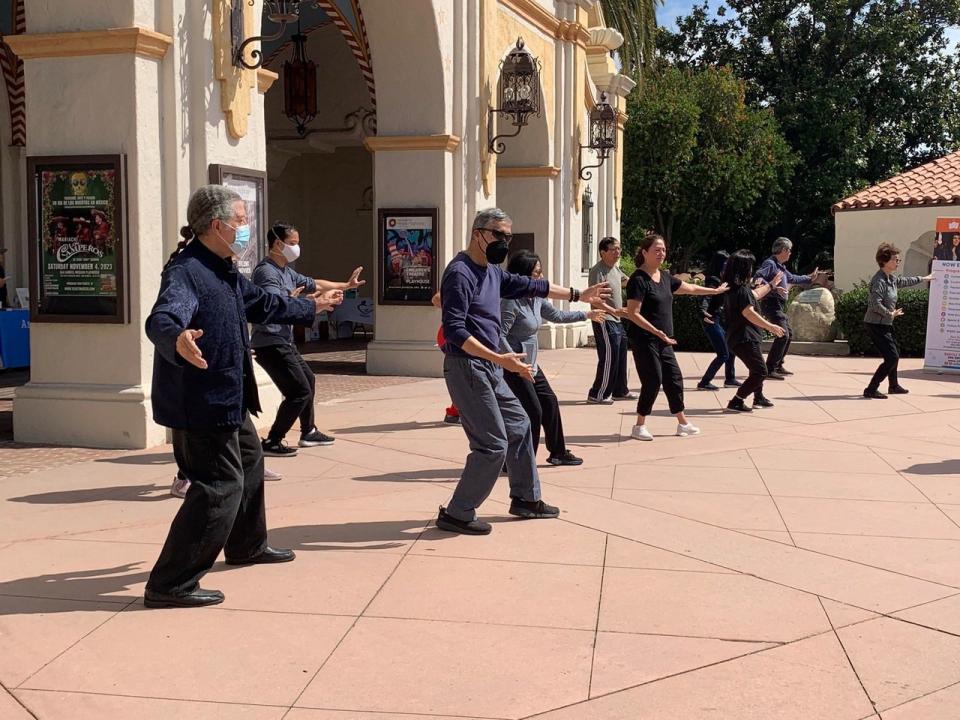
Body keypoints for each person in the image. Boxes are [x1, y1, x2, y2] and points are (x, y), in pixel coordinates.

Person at [142, 185, 342, 609]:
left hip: (228, 397)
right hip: (199, 400)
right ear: (216, 225)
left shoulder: (223, 268)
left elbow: (262, 304)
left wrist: (313, 307)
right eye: (240, 220)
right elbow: (162, 316)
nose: (246, 228)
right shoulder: (187, 270)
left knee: (250, 463)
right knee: (219, 485)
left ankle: (247, 544)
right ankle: (171, 583)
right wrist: (176, 337)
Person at [437, 208, 611, 535]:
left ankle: (525, 499)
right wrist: (501, 359)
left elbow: (532, 286)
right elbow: (455, 331)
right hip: (467, 367)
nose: (504, 242)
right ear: (478, 233)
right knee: (492, 445)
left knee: (520, 425)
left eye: (508, 237)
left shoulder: (491, 271)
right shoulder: (460, 273)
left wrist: (578, 295)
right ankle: (457, 513)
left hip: (489, 366)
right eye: (498, 235)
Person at [250, 222, 364, 457]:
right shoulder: (266, 272)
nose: (296, 248)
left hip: (284, 340)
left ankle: (308, 431)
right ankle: (273, 440)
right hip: (269, 342)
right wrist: (307, 302)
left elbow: (315, 283)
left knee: (308, 380)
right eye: (292, 243)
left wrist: (345, 286)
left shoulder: (288, 272)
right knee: (298, 391)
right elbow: (276, 304)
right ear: (277, 244)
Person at [500, 250, 609, 466]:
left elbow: (557, 316)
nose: (540, 278)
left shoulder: (537, 298)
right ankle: (518, 462)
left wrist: (586, 315)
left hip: (530, 363)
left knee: (549, 402)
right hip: (513, 365)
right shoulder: (511, 301)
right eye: (535, 273)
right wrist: (511, 361)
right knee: (533, 411)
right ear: (521, 276)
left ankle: (557, 452)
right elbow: (498, 335)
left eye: (541, 273)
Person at [623, 232, 727, 441]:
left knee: (674, 379)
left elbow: (689, 288)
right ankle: (639, 425)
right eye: (656, 250)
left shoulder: (665, 277)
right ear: (644, 252)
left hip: (664, 339)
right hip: (645, 339)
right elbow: (632, 313)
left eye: (663, 250)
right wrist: (656, 331)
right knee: (653, 380)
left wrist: (714, 291)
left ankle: (682, 422)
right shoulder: (638, 279)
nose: (661, 253)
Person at [862, 243, 933, 399]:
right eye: (895, 259)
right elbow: (875, 304)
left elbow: (905, 281)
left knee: (895, 353)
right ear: (885, 261)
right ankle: (871, 389)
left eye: (899, 260)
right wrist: (889, 313)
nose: (898, 262)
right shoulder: (879, 281)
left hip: (885, 323)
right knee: (892, 357)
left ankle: (893, 386)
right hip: (876, 324)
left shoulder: (891, 278)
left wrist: (924, 278)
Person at [721, 250, 786, 412]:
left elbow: (755, 294)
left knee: (756, 368)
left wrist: (771, 285)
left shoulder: (734, 288)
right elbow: (748, 312)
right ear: (744, 268)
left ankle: (758, 397)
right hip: (744, 338)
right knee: (760, 371)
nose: (752, 270)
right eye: (750, 266)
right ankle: (737, 401)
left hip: (742, 337)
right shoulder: (740, 290)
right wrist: (770, 326)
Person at [753, 237, 823, 379]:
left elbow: (793, 278)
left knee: (788, 334)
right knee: (783, 334)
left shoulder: (780, 267)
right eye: (789, 250)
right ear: (784, 250)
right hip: (771, 304)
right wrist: (773, 286)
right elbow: (758, 278)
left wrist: (810, 278)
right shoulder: (770, 264)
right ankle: (770, 368)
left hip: (778, 305)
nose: (791, 253)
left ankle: (777, 364)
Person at [587, 237, 635, 404]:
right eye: (614, 249)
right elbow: (593, 299)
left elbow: (629, 282)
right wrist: (614, 310)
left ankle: (620, 390)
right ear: (603, 252)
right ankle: (597, 394)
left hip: (617, 320)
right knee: (609, 356)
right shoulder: (597, 271)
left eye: (619, 249)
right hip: (603, 318)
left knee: (620, 355)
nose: (618, 252)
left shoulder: (615, 270)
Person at [696, 250, 739, 391]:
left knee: (730, 349)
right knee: (723, 354)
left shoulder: (723, 279)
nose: (728, 266)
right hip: (711, 320)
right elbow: (706, 296)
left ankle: (730, 379)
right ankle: (704, 382)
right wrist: (703, 312)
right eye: (726, 263)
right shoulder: (713, 281)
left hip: (718, 320)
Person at [431, 292, 460, 424]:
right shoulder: (461, 278)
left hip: (464, 337)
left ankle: (455, 412)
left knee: (465, 375)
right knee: (463, 373)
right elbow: (436, 299)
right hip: (453, 336)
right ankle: (455, 413)